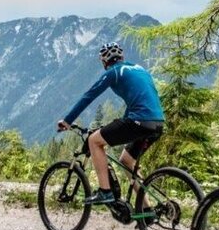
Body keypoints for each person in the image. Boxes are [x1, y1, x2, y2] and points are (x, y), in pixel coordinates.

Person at [57, 42, 165, 205]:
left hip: (138, 121)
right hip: (157, 123)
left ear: (104, 62)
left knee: (94, 140)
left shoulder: (113, 72)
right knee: (127, 161)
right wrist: (120, 122)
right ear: (122, 57)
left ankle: (105, 191)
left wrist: (67, 121)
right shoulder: (139, 69)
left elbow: (89, 96)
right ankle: (147, 210)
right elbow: (137, 102)